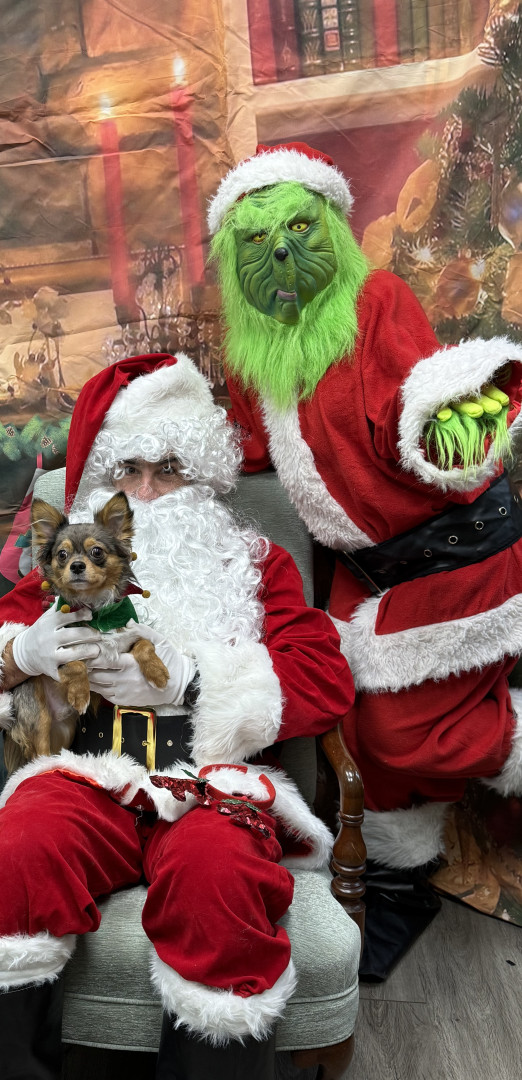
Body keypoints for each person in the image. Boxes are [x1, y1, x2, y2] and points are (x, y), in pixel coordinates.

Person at [0, 352, 355, 1079]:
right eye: (128, 469)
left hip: (211, 783)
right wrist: (19, 655)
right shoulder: (62, 572)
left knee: (220, 885)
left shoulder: (256, 564)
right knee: (15, 862)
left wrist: (195, 681)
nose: (149, 491)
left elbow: (326, 678)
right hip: (87, 774)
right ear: (104, 482)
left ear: (204, 477)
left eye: (170, 469)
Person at [208, 141, 522, 979]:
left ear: (331, 228)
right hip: (365, 569)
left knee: (409, 734)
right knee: (351, 722)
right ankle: (398, 881)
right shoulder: (251, 350)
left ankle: (511, 738)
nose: (279, 252)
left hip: (450, 550)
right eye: (256, 240)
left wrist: (449, 422)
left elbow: (417, 407)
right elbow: (253, 448)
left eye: (297, 229)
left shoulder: (376, 299)